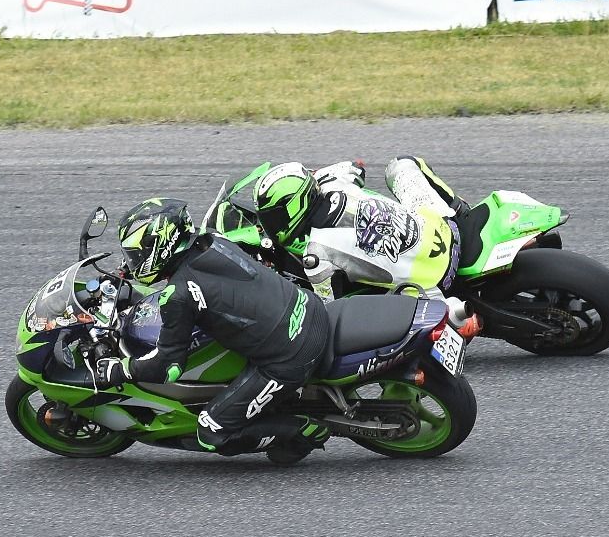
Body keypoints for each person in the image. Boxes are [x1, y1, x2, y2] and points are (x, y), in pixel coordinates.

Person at [94, 197, 331, 464]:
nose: (134, 262)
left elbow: (168, 367)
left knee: (211, 432)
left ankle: (304, 430)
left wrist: (121, 370)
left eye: (136, 256)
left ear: (161, 247)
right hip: (307, 305)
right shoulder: (213, 238)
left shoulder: (178, 295)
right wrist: (126, 271)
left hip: (291, 354)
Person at [253, 156, 469, 301]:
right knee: (401, 164)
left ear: (295, 206)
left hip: (435, 284)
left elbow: (328, 312)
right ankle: (459, 210)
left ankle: (450, 320)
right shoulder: (333, 181)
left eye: (272, 217)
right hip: (446, 228)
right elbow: (355, 167)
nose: (270, 224)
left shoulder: (316, 255)